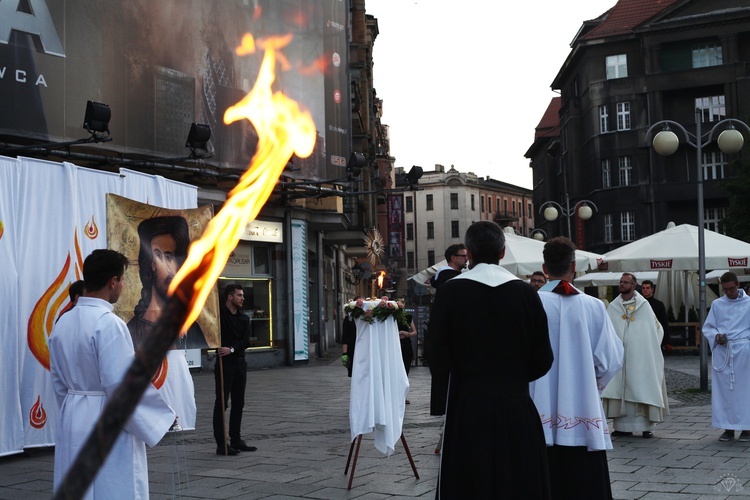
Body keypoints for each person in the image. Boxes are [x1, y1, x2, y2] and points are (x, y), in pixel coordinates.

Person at [429, 221, 553, 498]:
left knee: (470, 480)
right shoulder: (527, 294)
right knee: (519, 479)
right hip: (516, 403)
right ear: (503, 252)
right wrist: (515, 378)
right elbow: (543, 358)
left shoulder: (450, 292)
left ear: (469, 253)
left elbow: (436, 355)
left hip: (468, 404)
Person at [49, 249, 175, 498]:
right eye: (123, 279)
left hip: (74, 412)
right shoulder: (108, 323)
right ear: (113, 282)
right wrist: (160, 417)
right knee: (113, 483)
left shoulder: (63, 321)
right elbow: (121, 384)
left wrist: (73, 407)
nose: (123, 285)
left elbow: (57, 379)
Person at [530, 237, 624, 499]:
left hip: (539, 408)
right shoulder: (593, 306)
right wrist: (590, 384)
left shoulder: (530, 303)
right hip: (582, 408)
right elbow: (612, 359)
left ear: (544, 267)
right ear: (574, 267)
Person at [602, 273, 669, 438]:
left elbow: (657, 330)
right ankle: (622, 427)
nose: (622, 284)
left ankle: (646, 426)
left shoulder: (644, 306)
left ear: (633, 285)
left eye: (626, 282)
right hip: (620, 358)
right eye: (621, 282)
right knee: (620, 386)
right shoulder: (613, 306)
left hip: (640, 357)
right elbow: (607, 330)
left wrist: (647, 347)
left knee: (641, 385)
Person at [127, 215, 208, 351]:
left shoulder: (191, 328)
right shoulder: (132, 331)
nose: (175, 270)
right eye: (168, 257)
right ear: (152, 263)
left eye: (180, 259)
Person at [702, 272, 750, 442]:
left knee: (745, 391)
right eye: (725, 290)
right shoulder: (717, 304)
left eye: (731, 289)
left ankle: (746, 428)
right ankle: (728, 428)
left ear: (738, 285)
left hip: (743, 352)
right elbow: (708, 327)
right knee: (724, 391)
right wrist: (716, 336)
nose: (728, 292)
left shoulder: (749, 304)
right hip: (724, 351)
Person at [428, 243, 469, 417]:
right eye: (463, 256)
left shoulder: (444, 277)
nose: (466, 258)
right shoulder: (450, 279)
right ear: (453, 258)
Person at [213, 284, 255, 455]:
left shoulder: (244, 319)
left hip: (239, 362)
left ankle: (236, 439)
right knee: (222, 403)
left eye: (242, 295)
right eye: (239, 295)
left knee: (239, 402)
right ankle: (221, 444)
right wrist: (217, 347)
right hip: (224, 364)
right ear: (230, 297)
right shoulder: (220, 316)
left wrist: (231, 349)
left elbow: (246, 341)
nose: (243, 298)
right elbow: (212, 335)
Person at [641, 280, 670, 351]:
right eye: (643, 288)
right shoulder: (638, 304)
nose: (645, 290)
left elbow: (664, 322)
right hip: (641, 335)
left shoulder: (659, 304)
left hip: (656, 335)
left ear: (652, 289)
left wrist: (667, 341)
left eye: (647, 288)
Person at [397, 306, 417, 404]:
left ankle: (403, 396)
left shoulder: (408, 317)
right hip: (396, 346)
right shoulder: (391, 317)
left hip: (406, 346)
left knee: (405, 372)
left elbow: (414, 332)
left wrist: (406, 333)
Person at [341, 296, 362, 378]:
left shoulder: (368, 319)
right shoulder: (349, 319)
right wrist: (345, 353)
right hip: (352, 348)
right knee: (354, 374)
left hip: (364, 348)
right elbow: (345, 337)